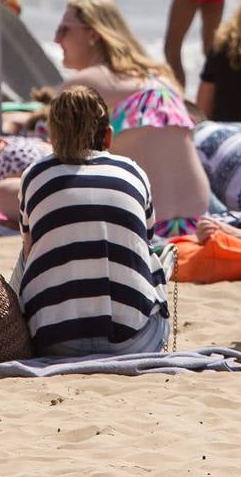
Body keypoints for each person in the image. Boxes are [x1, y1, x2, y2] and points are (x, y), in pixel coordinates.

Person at [16, 86, 170, 356]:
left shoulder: (34, 175)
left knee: (30, 250)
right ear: (108, 137)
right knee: (153, 255)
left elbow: (30, 252)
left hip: (55, 341)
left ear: (53, 137)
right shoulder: (132, 172)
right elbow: (145, 241)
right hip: (133, 343)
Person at [54, 0, 211, 228]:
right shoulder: (160, 77)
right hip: (198, 224)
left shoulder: (83, 85)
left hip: (148, 229)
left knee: (9, 191)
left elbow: (58, 159)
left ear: (93, 34)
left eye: (64, 29)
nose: (56, 39)